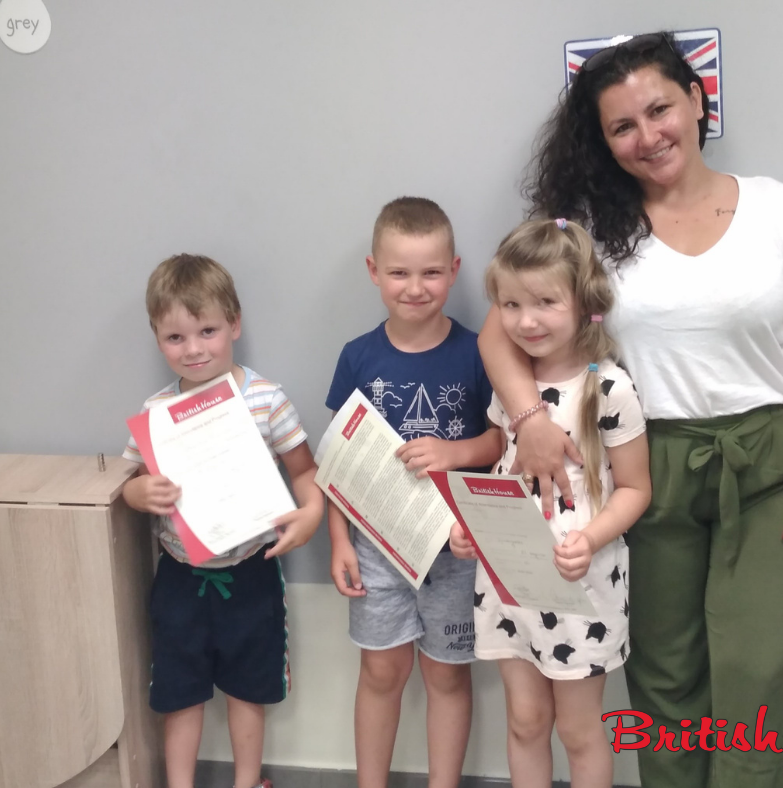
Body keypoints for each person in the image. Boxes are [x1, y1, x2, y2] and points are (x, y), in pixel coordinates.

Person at [478, 33, 783, 788]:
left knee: (756, 667)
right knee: (665, 671)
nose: (647, 136)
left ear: (697, 100)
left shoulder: (776, 208)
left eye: (659, 110)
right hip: (644, 469)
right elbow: (499, 331)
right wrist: (530, 420)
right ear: (603, 140)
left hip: (769, 466)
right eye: (622, 126)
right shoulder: (586, 229)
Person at [451, 218, 650, 788]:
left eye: (545, 302)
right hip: (510, 582)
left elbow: (636, 488)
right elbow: (502, 458)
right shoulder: (510, 385)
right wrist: (473, 527)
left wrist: (590, 539)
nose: (526, 321)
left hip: (582, 586)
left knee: (579, 732)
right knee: (525, 721)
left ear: (584, 302)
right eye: (511, 304)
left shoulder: (609, 388)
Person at [122, 254, 325, 788]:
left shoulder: (265, 399)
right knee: (178, 692)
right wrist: (139, 492)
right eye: (175, 337)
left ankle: (247, 781)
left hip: (252, 570)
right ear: (157, 338)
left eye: (207, 331)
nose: (193, 349)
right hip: (179, 575)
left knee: (248, 688)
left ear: (234, 324)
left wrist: (310, 514)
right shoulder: (155, 412)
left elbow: (306, 473)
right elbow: (132, 482)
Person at [325, 197, 502, 788]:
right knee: (380, 674)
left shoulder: (478, 352)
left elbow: (502, 440)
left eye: (431, 272)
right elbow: (339, 462)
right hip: (376, 548)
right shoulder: (357, 357)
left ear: (454, 271)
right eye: (399, 272)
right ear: (374, 271)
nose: (416, 287)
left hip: (456, 548)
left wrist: (453, 452)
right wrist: (338, 541)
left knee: (448, 676)